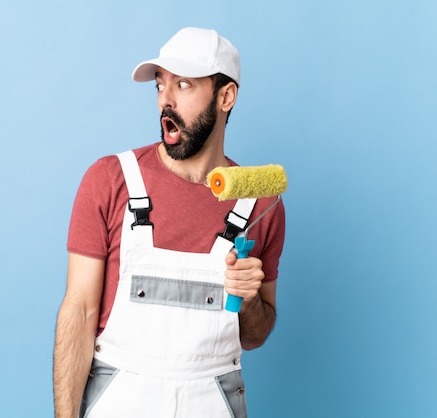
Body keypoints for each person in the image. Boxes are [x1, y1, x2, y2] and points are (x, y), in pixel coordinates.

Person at [53, 27, 285, 418]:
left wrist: (247, 301)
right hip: (119, 400)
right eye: (160, 85)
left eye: (183, 85)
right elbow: (79, 313)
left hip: (212, 403)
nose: (166, 100)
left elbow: (255, 335)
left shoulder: (260, 205)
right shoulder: (110, 180)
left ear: (226, 97)